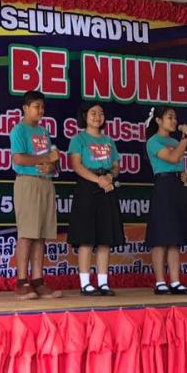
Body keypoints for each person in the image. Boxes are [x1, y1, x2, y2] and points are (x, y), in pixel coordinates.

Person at [67, 101, 124, 296]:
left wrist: (109, 177)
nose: (97, 117)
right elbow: (77, 165)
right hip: (87, 187)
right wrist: (98, 180)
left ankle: (103, 283)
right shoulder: (78, 139)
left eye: (101, 113)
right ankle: (85, 284)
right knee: (86, 239)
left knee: (104, 238)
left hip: (107, 187)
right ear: (85, 116)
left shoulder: (109, 141)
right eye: (93, 113)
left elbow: (116, 166)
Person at [10, 90, 61, 300]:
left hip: (45, 182)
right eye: (36, 106)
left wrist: (52, 166)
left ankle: (38, 280)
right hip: (28, 182)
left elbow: (53, 160)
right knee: (27, 233)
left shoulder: (44, 132)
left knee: (41, 234)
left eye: (42, 106)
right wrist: (46, 159)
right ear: (25, 108)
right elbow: (19, 158)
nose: (40, 110)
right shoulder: (19, 130)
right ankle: (22, 281)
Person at [144, 107, 187, 295]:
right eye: (169, 117)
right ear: (158, 120)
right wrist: (186, 137)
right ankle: (160, 282)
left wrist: (184, 176)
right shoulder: (153, 142)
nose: (174, 121)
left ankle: (175, 281)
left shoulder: (175, 142)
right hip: (163, 187)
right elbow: (173, 157)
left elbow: (179, 166)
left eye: (175, 117)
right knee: (160, 237)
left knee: (175, 238)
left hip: (177, 187)